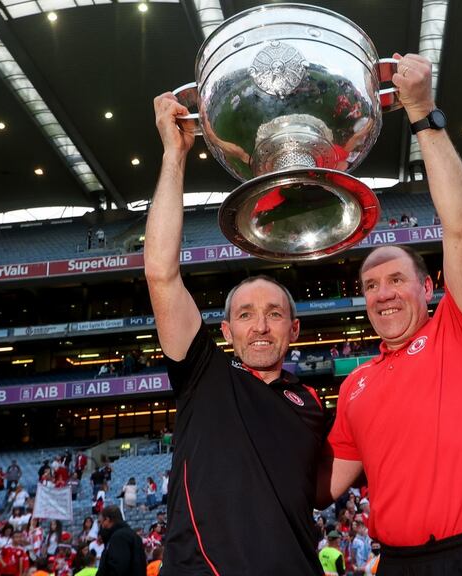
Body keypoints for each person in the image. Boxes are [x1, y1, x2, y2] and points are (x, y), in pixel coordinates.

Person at [320, 53, 462, 576]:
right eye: (371, 286)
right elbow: (323, 487)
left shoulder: (459, 331)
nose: (383, 294)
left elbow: (460, 225)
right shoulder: (354, 386)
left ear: (428, 287)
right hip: (402, 564)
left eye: (396, 280)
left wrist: (422, 113)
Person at [146, 89, 326, 575]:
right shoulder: (204, 376)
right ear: (226, 330)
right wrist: (173, 156)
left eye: (274, 314)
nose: (261, 326)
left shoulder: (312, 404)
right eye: (246, 315)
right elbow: (161, 274)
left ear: (294, 329)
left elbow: (323, 489)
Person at [94, 506, 143, 576]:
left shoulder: (118, 537)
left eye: (100, 522)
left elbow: (118, 567)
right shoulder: (134, 536)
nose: (101, 526)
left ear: (107, 519)